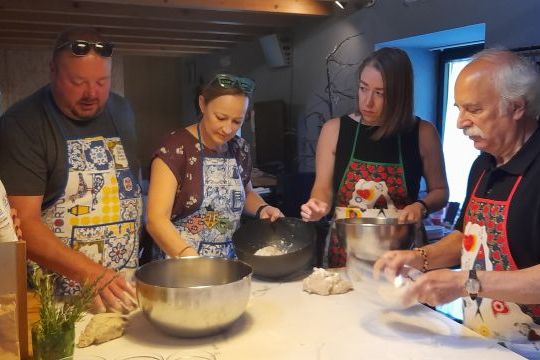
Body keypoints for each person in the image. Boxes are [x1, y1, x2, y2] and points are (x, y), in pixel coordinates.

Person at [374, 49, 540, 357]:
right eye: (458, 108)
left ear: (517, 107)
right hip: (481, 339)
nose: (460, 122)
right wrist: (419, 258)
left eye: (473, 109)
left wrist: (466, 283)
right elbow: (469, 236)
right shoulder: (484, 164)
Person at [0, 27, 141, 313]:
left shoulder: (123, 110)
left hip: (125, 287)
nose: (92, 93)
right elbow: (23, 224)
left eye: (102, 81)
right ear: (53, 71)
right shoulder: (22, 123)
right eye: (78, 82)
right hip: (57, 303)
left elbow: (130, 188)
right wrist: (92, 273)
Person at [301, 47, 449, 267]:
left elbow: (440, 192)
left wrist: (421, 206)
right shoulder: (335, 130)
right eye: (363, 88)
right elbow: (322, 188)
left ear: (400, 94)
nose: (367, 102)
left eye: (380, 93)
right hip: (347, 250)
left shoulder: (423, 133)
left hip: (401, 253)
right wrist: (317, 206)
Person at [146, 74, 283, 258]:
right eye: (220, 117)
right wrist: (192, 259)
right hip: (181, 266)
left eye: (236, 121)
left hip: (228, 263)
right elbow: (156, 220)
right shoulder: (175, 148)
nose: (227, 129)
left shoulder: (239, 148)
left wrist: (263, 208)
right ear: (202, 104)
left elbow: (246, 193)